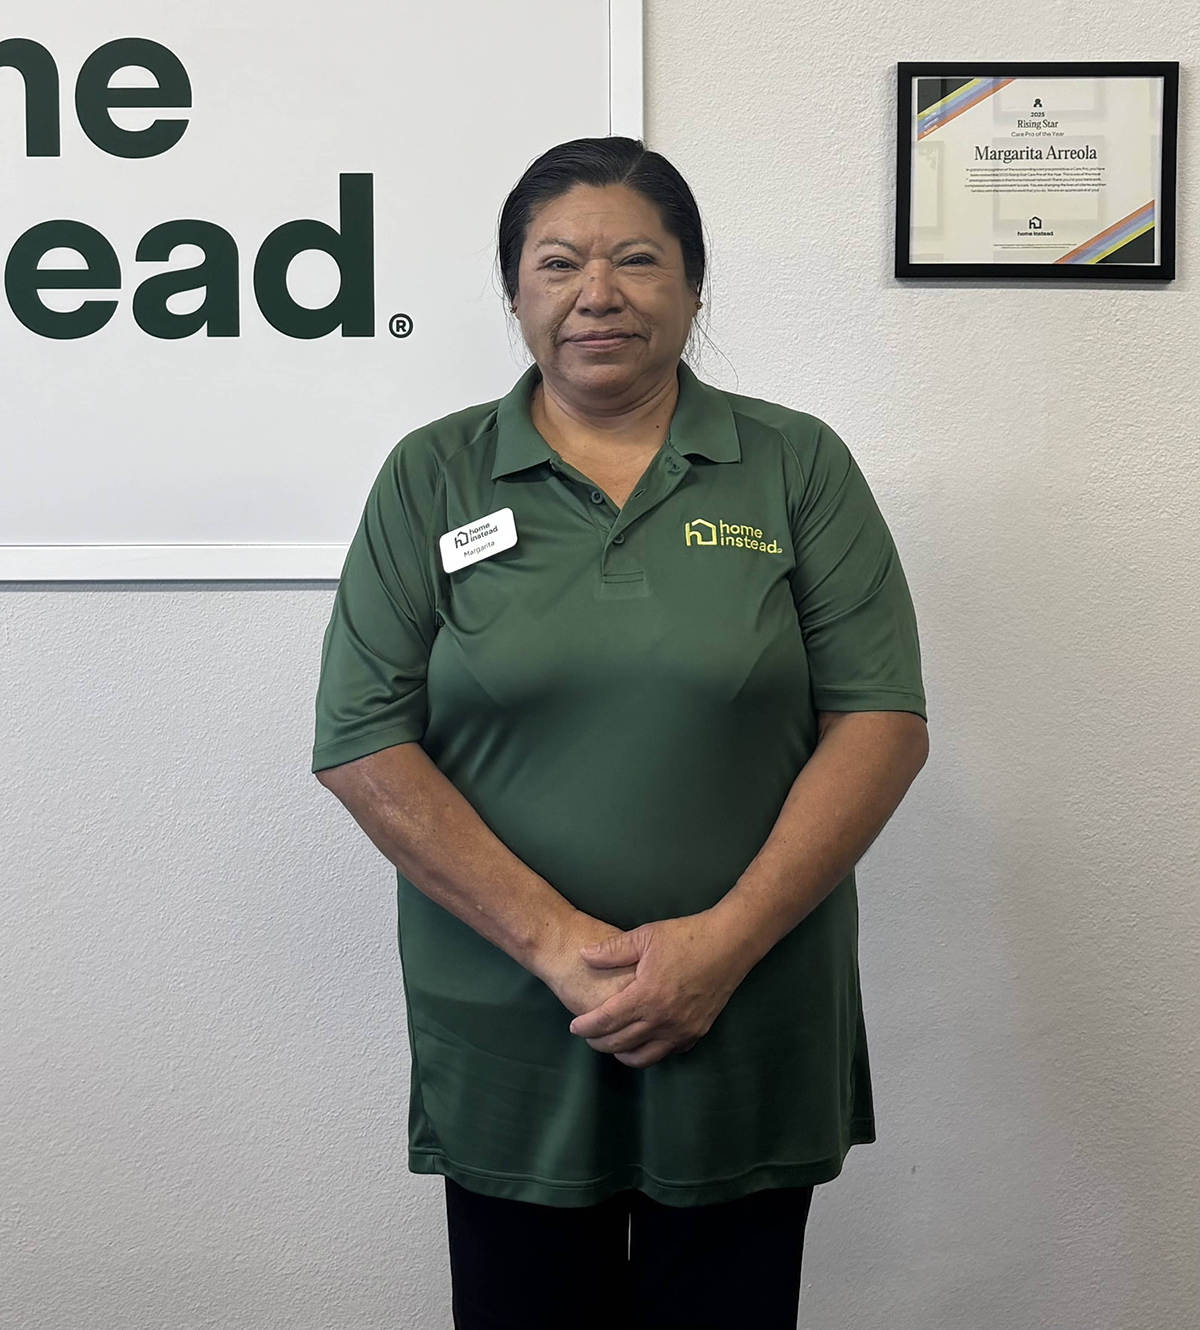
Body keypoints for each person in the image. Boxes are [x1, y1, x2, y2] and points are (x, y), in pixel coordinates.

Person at [310, 136, 929, 1330]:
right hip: (512, 1013)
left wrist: (719, 948)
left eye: (637, 258)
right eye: (559, 263)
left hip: (747, 999)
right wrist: (552, 944)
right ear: (515, 296)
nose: (598, 292)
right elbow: (359, 737)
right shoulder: (432, 477)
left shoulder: (794, 465)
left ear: (695, 287)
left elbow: (882, 719)